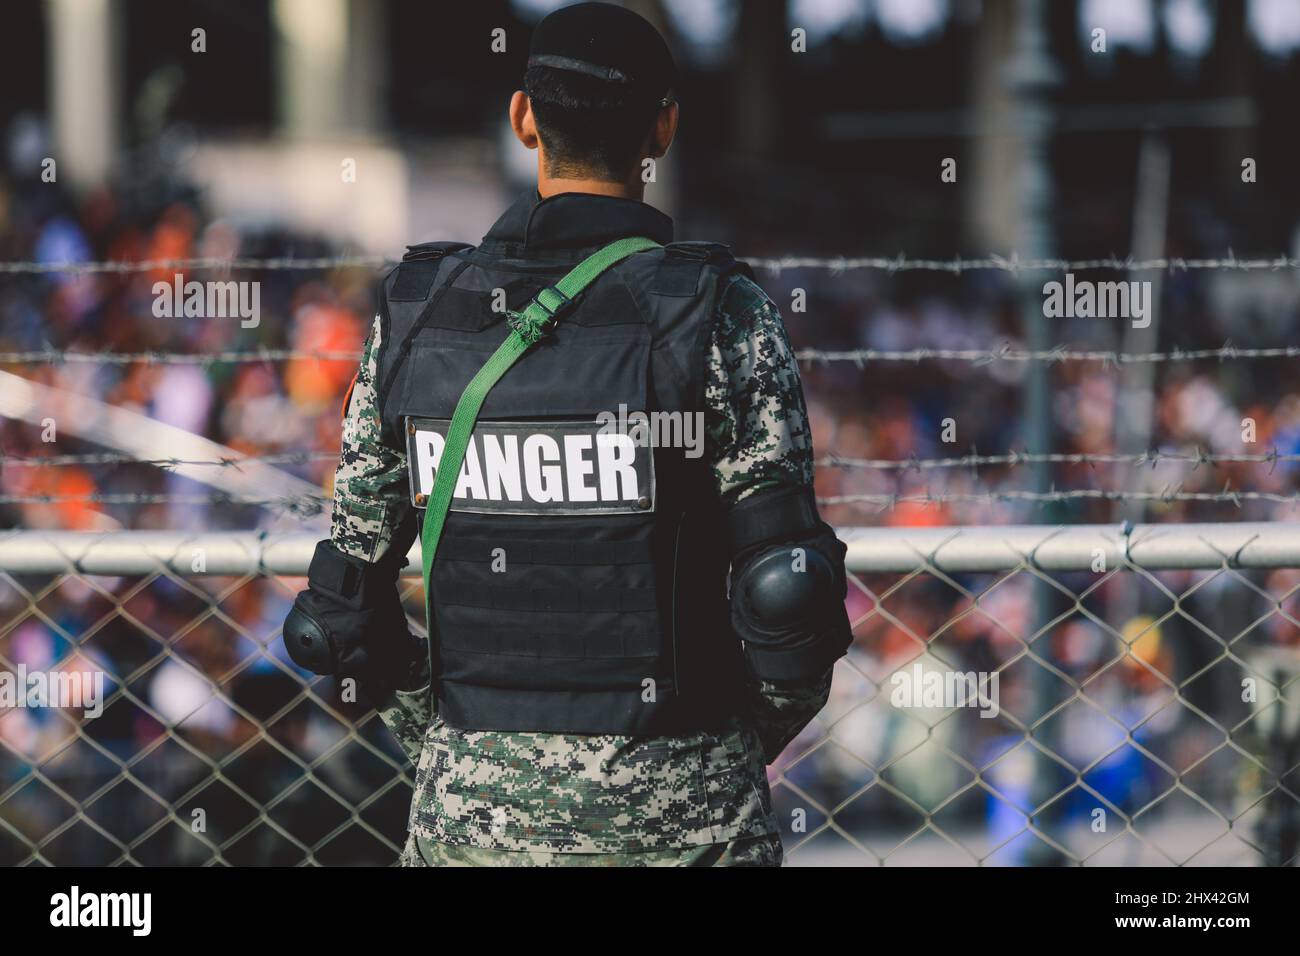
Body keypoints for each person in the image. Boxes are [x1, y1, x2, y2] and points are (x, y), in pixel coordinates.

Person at [282, 1, 851, 867]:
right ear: (662, 126)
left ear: (523, 119)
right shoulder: (719, 314)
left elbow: (340, 609)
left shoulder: (419, 313)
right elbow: (790, 600)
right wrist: (716, 755)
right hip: (687, 819)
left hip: (470, 822)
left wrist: (451, 744)